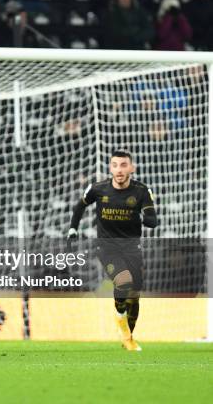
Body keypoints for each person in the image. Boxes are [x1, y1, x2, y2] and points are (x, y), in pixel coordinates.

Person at [68, 150, 158, 351]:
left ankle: (128, 337)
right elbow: (79, 206)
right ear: (110, 168)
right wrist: (73, 228)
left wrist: (142, 217)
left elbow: (153, 220)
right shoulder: (98, 189)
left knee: (134, 295)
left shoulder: (142, 191)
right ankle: (121, 324)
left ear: (131, 168)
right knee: (123, 280)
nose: (119, 169)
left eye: (123, 165)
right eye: (115, 165)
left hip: (132, 248)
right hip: (106, 246)